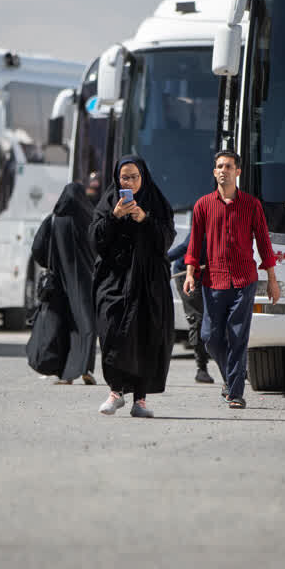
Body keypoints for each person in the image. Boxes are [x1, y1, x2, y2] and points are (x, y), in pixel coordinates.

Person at [184, 150, 279, 410]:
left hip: (243, 280)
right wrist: (191, 272)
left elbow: (264, 241)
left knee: (238, 336)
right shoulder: (203, 205)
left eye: (228, 166)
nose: (223, 170)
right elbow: (194, 242)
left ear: (238, 171)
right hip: (213, 281)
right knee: (210, 337)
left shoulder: (251, 204)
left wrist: (272, 279)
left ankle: (235, 392)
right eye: (219, 166)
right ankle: (231, 377)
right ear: (214, 172)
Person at [91, 156, 175, 418]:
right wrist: (115, 217)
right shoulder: (108, 202)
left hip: (148, 284)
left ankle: (140, 399)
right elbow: (95, 240)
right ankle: (115, 392)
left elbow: (166, 240)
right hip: (114, 281)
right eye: (124, 177)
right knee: (111, 330)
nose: (128, 182)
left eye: (134, 177)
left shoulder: (156, 204)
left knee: (145, 337)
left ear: (143, 177)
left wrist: (145, 219)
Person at [29, 182, 97, 385]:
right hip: (86, 281)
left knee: (61, 325)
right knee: (86, 324)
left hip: (59, 282)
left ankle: (64, 372)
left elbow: (37, 249)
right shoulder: (90, 219)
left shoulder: (53, 220)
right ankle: (84, 367)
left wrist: (51, 264)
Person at [168, 231, 214, 384]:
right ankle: (201, 368)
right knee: (197, 318)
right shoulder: (206, 221)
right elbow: (185, 247)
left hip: (210, 273)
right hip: (186, 274)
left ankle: (236, 367)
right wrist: (162, 260)